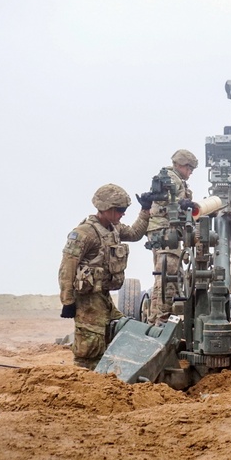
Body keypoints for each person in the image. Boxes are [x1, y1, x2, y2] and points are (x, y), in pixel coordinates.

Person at [58, 183, 151, 369]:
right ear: (106, 209)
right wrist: (67, 301)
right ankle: (85, 383)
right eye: (120, 210)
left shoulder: (113, 229)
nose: (123, 214)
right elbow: (67, 268)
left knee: (121, 329)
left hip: (103, 296)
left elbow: (134, 233)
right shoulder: (84, 233)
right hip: (88, 300)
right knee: (90, 345)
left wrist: (145, 210)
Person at [146, 149, 198, 325]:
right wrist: (181, 204)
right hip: (166, 232)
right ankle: (160, 321)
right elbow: (166, 200)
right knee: (168, 276)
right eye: (189, 169)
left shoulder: (176, 180)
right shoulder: (169, 179)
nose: (190, 173)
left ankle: (156, 319)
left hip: (168, 231)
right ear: (181, 165)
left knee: (165, 276)